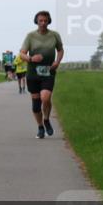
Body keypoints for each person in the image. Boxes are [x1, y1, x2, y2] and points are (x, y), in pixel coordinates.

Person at [20, 10, 64, 139]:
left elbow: (60, 50)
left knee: (45, 98)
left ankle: (46, 119)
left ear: (49, 21)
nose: (43, 23)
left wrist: (57, 61)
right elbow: (22, 53)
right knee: (36, 104)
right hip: (33, 73)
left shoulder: (54, 35)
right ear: (37, 21)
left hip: (48, 71)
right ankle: (40, 127)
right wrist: (31, 58)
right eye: (41, 21)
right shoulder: (30, 36)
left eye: (45, 20)